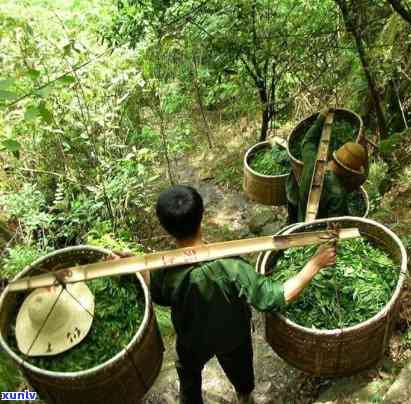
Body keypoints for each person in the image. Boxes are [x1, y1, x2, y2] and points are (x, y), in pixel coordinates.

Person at [143, 185, 337, 404]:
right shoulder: (231, 267)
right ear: (202, 215)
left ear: (165, 227)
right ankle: (245, 397)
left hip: (191, 340)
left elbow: (158, 294)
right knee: (241, 371)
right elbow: (278, 296)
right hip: (233, 337)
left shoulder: (165, 271)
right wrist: (315, 263)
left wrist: (138, 267)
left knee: (188, 375)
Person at [286, 108, 368, 223]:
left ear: (335, 156)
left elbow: (307, 141)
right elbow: (335, 227)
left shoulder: (312, 162)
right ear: (349, 173)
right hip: (315, 233)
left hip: (301, 217)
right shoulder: (338, 194)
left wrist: (321, 118)